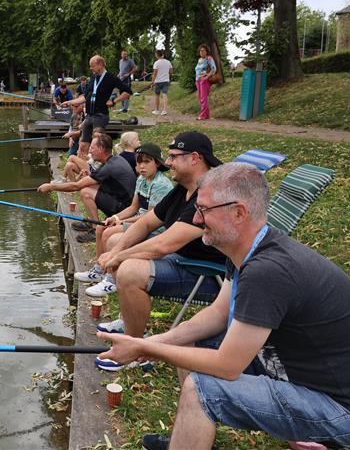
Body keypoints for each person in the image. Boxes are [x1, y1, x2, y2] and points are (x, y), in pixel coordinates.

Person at [98, 162, 350, 450]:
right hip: (300, 374)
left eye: (203, 210)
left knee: (202, 390)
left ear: (238, 213)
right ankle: (190, 437)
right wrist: (155, 341)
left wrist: (147, 349)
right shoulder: (247, 250)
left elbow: (227, 366)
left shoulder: (267, 271)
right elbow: (218, 313)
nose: (196, 219)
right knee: (191, 343)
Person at [86, 132, 226, 362]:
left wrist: (119, 256)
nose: (168, 162)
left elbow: (164, 244)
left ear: (194, 158)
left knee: (129, 271)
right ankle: (130, 327)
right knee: (122, 253)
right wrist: (116, 251)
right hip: (183, 260)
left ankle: (133, 348)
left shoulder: (209, 195)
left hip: (208, 273)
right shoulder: (183, 189)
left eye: (173, 156)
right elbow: (147, 222)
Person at [75, 142, 174, 288]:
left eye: (147, 162)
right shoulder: (141, 179)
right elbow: (133, 207)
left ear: (157, 163)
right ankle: (99, 269)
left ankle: (111, 277)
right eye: (139, 162)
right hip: (140, 220)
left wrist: (122, 222)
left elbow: (150, 217)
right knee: (101, 227)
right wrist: (116, 217)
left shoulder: (160, 184)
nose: (142, 166)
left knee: (109, 232)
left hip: (154, 227)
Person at [38, 132, 135, 244]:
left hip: (124, 209)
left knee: (85, 192)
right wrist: (87, 178)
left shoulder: (109, 167)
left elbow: (76, 186)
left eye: (92, 148)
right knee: (88, 186)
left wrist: (51, 186)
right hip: (123, 201)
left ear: (101, 149)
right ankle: (92, 222)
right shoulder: (115, 160)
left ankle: (95, 228)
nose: (90, 151)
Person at [62, 55, 133, 159]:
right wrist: (69, 102)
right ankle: (83, 166)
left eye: (92, 65)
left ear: (100, 64)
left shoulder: (110, 77)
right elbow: (85, 97)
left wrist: (114, 101)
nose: (90, 68)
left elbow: (128, 92)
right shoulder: (93, 78)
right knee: (83, 146)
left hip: (100, 116)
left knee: (97, 145)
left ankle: (100, 165)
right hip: (89, 116)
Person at [195, 44, 217, 120]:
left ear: (206, 51)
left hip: (204, 80)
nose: (201, 52)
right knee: (201, 98)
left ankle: (203, 115)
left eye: (203, 50)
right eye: (200, 51)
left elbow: (214, 69)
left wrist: (207, 77)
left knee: (203, 98)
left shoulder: (209, 58)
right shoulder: (199, 60)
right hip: (198, 80)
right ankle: (207, 115)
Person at [151, 49, 173, 116]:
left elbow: (154, 73)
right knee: (165, 94)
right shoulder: (168, 62)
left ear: (157, 55)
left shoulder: (156, 63)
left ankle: (157, 110)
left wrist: (152, 82)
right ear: (162, 54)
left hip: (158, 81)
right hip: (166, 80)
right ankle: (164, 110)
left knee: (157, 95)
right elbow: (171, 72)